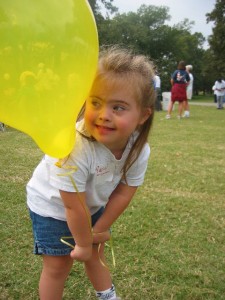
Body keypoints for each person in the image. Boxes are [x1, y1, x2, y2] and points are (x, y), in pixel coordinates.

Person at [26, 46, 155, 300]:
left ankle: (108, 296)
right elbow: (72, 205)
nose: (104, 115)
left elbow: (124, 192)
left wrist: (98, 231)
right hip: (54, 207)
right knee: (58, 266)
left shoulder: (139, 149)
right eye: (96, 102)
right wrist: (83, 243)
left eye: (118, 107)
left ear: (143, 115)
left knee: (96, 253)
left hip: (91, 205)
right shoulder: (75, 146)